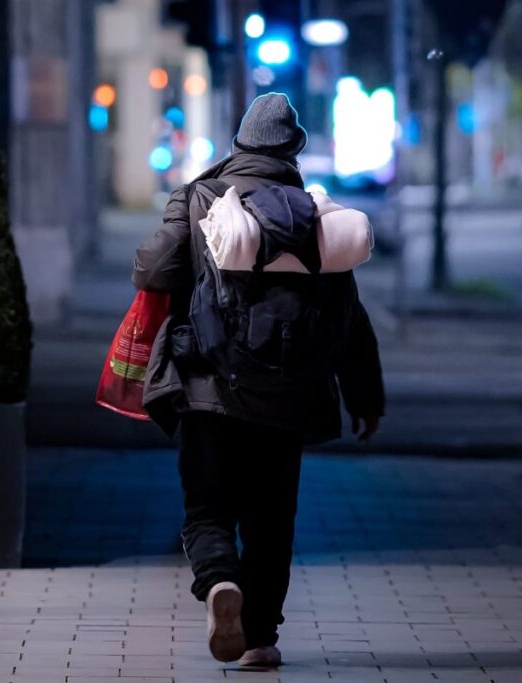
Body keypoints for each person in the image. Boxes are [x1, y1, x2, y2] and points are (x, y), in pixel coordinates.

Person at [132, 93, 385, 667]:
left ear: (238, 145)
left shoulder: (201, 198)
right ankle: (261, 637)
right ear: (294, 150)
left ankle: (220, 580)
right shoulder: (316, 218)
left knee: (208, 504)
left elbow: (152, 269)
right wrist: (365, 397)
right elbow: (350, 316)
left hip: (208, 385)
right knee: (273, 518)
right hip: (289, 395)